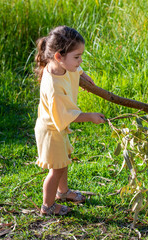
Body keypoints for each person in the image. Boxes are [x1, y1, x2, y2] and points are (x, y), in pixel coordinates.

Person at [34, 26, 106, 216]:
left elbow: (74, 69)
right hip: (51, 131)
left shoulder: (60, 65)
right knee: (56, 169)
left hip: (56, 127)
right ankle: (47, 206)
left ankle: (62, 192)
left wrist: (82, 74)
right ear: (59, 56)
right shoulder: (54, 88)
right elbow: (65, 115)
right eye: (77, 57)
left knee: (63, 162)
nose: (80, 61)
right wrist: (90, 116)